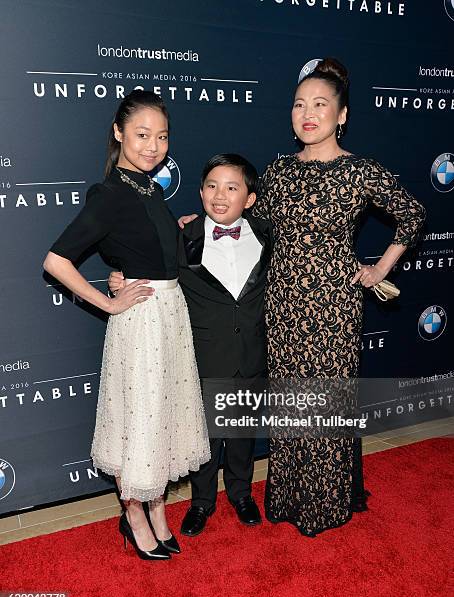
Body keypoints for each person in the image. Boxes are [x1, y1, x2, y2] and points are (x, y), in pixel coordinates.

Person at [251, 58, 426, 536]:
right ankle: (288, 498)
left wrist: (378, 269)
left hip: (333, 307)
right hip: (283, 302)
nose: (308, 113)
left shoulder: (359, 171)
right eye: (299, 104)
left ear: (342, 114)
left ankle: (325, 505)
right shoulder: (278, 170)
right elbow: (251, 227)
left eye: (320, 104)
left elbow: (412, 214)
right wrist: (197, 224)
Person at [43, 90, 210, 559]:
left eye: (161, 137)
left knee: (161, 418)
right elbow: (56, 260)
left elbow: (144, 248)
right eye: (141, 135)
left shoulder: (149, 187)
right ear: (118, 134)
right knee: (138, 420)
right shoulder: (111, 192)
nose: (153, 146)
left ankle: (157, 507)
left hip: (170, 316)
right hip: (140, 324)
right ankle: (134, 513)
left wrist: (173, 233)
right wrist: (109, 303)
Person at [110, 154, 273, 536]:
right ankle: (202, 502)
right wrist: (120, 279)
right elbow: (150, 267)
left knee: (241, 433)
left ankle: (241, 494)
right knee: (203, 436)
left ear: (249, 198)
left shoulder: (269, 234)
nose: (220, 196)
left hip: (252, 353)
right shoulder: (184, 237)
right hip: (200, 355)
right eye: (212, 186)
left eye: (232, 188)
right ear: (200, 193)